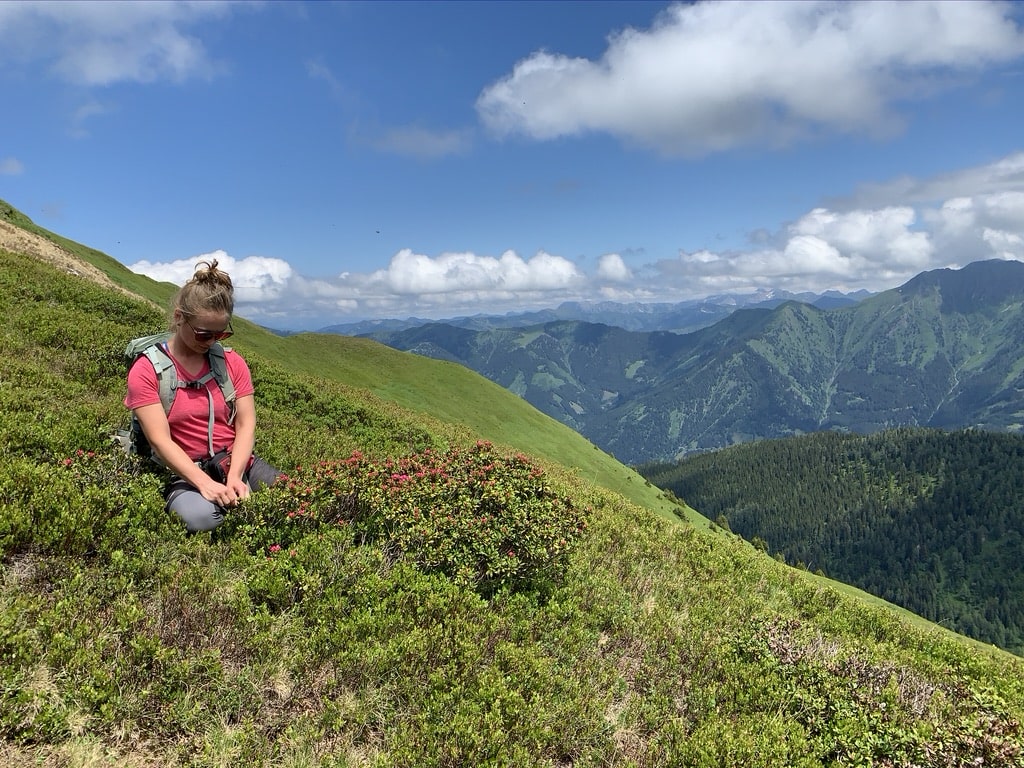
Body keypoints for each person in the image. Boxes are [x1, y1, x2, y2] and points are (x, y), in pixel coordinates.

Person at [124, 259, 280, 533]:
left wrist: (235, 476)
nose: (212, 342)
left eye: (220, 333)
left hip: (231, 461)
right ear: (178, 317)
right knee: (202, 519)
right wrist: (204, 483)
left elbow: (246, 425)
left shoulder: (233, 363)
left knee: (293, 496)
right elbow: (160, 442)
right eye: (203, 334)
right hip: (180, 472)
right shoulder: (147, 370)